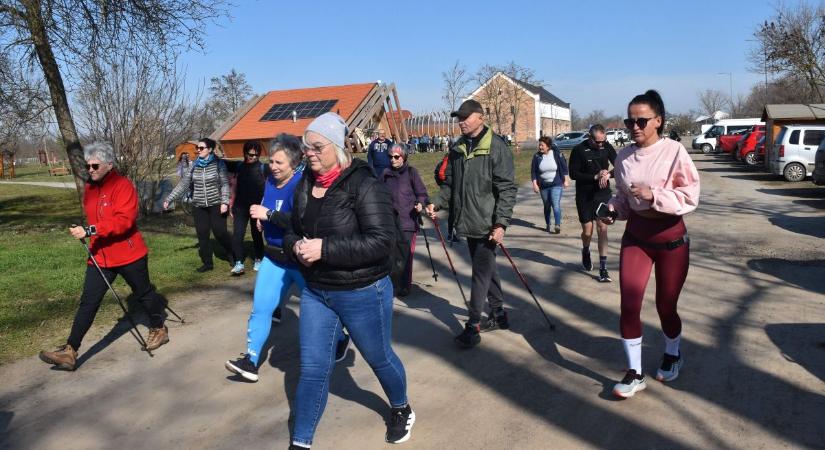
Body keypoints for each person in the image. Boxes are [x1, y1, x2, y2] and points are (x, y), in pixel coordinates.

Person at [284, 112, 414, 448]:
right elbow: (291, 230)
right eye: (305, 147)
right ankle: (301, 442)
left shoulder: (364, 184)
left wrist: (324, 248)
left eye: (316, 147)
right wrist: (295, 245)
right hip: (316, 291)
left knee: (379, 357)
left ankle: (401, 408)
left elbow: (380, 241)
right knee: (312, 369)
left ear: (338, 147)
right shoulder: (304, 183)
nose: (308, 153)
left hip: (362, 291)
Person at [224, 134, 349, 382]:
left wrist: (267, 215)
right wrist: (262, 220)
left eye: (279, 163)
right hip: (273, 257)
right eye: (271, 161)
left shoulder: (302, 186)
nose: (273, 166)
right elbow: (268, 203)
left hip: (300, 259)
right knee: (261, 308)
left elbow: (299, 221)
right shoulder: (270, 181)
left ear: (293, 164)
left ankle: (342, 339)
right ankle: (250, 360)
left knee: (322, 309)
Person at [601, 89, 700, 398]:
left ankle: (673, 352)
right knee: (629, 305)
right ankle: (634, 373)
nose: (635, 127)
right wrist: (614, 210)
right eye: (630, 121)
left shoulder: (674, 152)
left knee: (665, 306)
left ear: (658, 120)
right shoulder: (623, 156)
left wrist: (655, 195)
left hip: (671, 239)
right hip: (637, 239)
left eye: (642, 120)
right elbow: (624, 198)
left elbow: (690, 195)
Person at [39, 143, 169, 371]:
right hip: (100, 255)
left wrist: (90, 230)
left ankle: (159, 328)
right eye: (88, 165)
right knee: (88, 302)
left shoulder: (123, 185)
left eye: (95, 165)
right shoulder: (89, 188)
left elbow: (123, 221)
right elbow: (94, 217)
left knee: (144, 293)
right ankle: (70, 350)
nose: (90, 169)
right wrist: (85, 228)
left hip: (129, 253)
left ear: (109, 165)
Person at [426, 99, 517, 347]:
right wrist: (437, 202)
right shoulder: (458, 149)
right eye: (459, 118)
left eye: (466, 117)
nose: (461, 122)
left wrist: (501, 224)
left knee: (480, 272)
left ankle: (473, 324)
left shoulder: (496, 148)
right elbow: (450, 185)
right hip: (467, 221)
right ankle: (499, 313)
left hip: (488, 224)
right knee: (487, 269)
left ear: (481, 117)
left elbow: (507, 189)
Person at [164, 138, 236, 273]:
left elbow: (225, 184)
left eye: (201, 148)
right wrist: (169, 199)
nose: (198, 150)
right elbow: (184, 184)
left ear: (210, 150)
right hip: (199, 205)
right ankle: (208, 263)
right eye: (198, 148)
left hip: (216, 203)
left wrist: (225, 202)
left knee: (220, 232)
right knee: (202, 235)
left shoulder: (218, 164)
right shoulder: (194, 165)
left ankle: (232, 254)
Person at [569, 124, 617, 283]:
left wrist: (608, 174)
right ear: (589, 137)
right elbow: (573, 174)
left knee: (602, 228)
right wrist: (594, 177)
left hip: (603, 194)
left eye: (604, 141)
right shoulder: (578, 150)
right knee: (587, 232)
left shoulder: (607, 147)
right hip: (584, 196)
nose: (601, 144)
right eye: (598, 142)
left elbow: (620, 167)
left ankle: (603, 269)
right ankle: (586, 250)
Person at [380, 143, 428, 297]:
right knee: (391, 255)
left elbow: (422, 193)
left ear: (404, 157)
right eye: (390, 157)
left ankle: (404, 285)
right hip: (389, 221)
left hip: (408, 221)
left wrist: (421, 203)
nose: (392, 160)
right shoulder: (385, 173)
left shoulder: (411, 172)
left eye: (396, 157)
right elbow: (376, 192)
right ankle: (393, 284)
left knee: (405, 256)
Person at [227, 141, 267, 275]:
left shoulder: (263, 168)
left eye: (256, 155)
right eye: (251, 154)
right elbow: (221, 163)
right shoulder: (239, 166)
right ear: (245, 153)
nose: (253, 157)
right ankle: (239, 263)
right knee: (237, 235)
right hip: (240, 207)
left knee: (257, 235)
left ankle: (259, 259)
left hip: (257, 208)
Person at [531, 136, 570, 234]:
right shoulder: (536, 157)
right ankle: (548, 224)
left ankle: (557, 225)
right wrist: (535, 184)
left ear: (548, 146)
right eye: (539, 145)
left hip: (556, 183)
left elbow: (563, 167)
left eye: (542, 145)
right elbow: (534, 172)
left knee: (555, 204)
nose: (540, 147)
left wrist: (566, 180)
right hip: (543, 186)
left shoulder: (556, 154)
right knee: (547, 206)